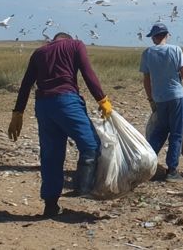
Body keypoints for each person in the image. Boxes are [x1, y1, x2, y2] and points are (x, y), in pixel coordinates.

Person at [8, 32, 113, 218]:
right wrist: (102, 99)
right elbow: (88, 73)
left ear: (53, 40)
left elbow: (26, 84)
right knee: (91, 145)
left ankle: (51, 205)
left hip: (43, 106)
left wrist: (18, 112)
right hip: (66, 101)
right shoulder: (75, 45)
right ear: (68, 38)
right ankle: (84, 188)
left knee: (51, 155)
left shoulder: (39, 53)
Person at [139, 23, 183, 183]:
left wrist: (151, 99)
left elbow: (146, 80)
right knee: (177, 133)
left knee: (160, 131)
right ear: (167, 35)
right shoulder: (175, 50)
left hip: (159, 99)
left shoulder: (147, 53)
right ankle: (172, 171)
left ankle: (143, 164)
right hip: (176, 97)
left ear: (154, 37)